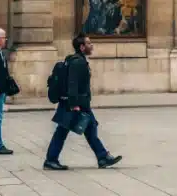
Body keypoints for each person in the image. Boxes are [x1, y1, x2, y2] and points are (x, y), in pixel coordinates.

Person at [44, 33, 123, 170]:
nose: (91, 45)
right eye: (88, 43)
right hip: (75, 103)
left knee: (91, 128)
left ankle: (102, 157)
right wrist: (74, 104)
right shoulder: (78, 62)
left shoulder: (76, 60)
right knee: (62, 131)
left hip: (79, 103)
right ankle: (51, 160)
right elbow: (72, 84)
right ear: (81, 47)